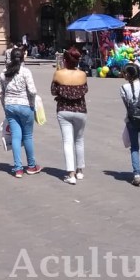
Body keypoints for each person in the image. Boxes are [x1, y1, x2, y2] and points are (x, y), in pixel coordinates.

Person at [0, 47, 39, 176]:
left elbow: (2, 93)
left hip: (10, 106)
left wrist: (4, 107)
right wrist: (32, 104)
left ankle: (18, 168)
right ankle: (31, 166)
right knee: (27, 136)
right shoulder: (26, 72)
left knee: (16, 136)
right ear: (23, 58)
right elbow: (32, 91)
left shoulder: (4, 73)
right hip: (25, 105)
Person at [52, 48, 88, 184]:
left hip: (63, 109)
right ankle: (80, 171)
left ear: (65, 60)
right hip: (81, 110)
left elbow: (53, 91)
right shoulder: (83, 74)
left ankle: (70, 174)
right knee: (79, 140)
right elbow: (85, 90)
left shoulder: (58, 74)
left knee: (67, 141)